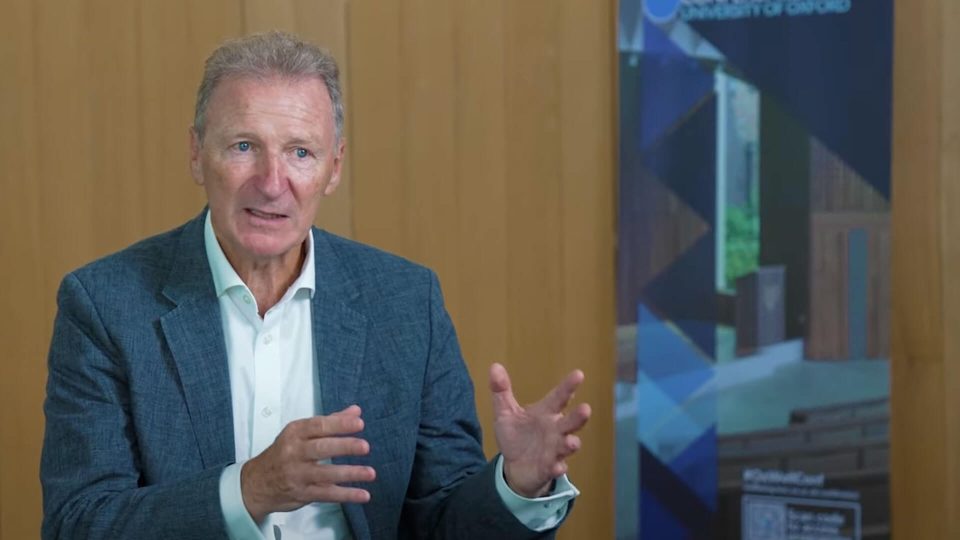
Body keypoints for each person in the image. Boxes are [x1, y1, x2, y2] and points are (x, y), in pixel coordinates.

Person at [40, 31, 591, 540]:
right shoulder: (105, 305)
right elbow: (78, 523)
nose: (271, 183)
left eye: (300, 152)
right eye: (243, 147)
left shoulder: (406, 302)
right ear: (196, 154)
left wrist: (516, 486)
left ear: (334, 167)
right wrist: (249, 490)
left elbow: (442, 522)